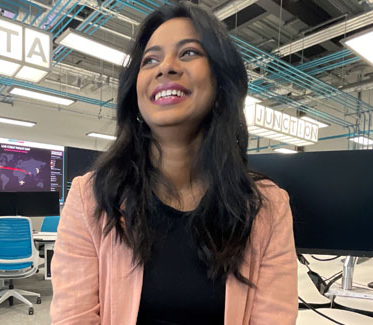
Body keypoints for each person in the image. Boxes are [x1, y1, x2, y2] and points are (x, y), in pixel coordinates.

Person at [50, 2, 297, 324]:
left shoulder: (266, 208)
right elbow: (74, 317)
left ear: (222, 85)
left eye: (189, 53)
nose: (165, 67)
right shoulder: (91, 198)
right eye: (150, 59)